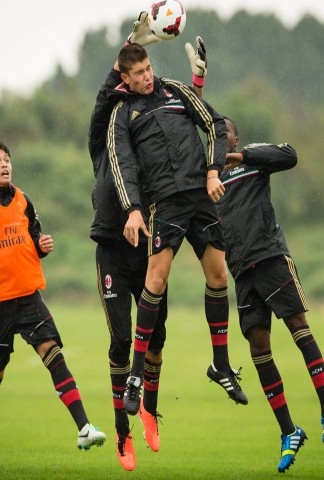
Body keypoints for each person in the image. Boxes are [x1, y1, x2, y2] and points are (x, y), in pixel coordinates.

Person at [89, 13, 211, 470]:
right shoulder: (106, 130)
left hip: (149, 241)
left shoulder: (141, 125)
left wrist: (196, 84)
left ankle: (149, 412)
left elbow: (178, 127)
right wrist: (124, 50)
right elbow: (107, 97)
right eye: (134, 74)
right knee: (121, 340)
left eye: (146, 71)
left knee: (155, 338)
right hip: (112, 246)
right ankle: (123, 435)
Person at [106, 42, 248, 418]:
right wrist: (133, 210)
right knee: (156, 280)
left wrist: (213, 171)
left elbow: (214, 124)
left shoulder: (175, 90)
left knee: (219, 276)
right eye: (139, 73)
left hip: (200, 196)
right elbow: (121, 164)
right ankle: (135, 376)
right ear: (126, 78)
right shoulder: (122, 113)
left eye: (148, 68)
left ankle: (220, 364)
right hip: (165, 203)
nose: (147, 76)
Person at [0, 140, 106, 462]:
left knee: (53, 352)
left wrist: (41, 246)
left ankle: (84, 427)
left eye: (7, 159)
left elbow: (33, 239)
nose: (5, 164)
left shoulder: (23, 200)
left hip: (28, 297)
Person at [215, 117, 324, 473]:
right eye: (215, 135)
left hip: (271, 258)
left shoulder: (254, 162)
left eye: (226, 134)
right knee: (259, 350)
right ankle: (289, 431)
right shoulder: (209, 181)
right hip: (242, 273)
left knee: (299, 329)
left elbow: (290, 155)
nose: (221, 139)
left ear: (236, 138)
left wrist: (244, 157)